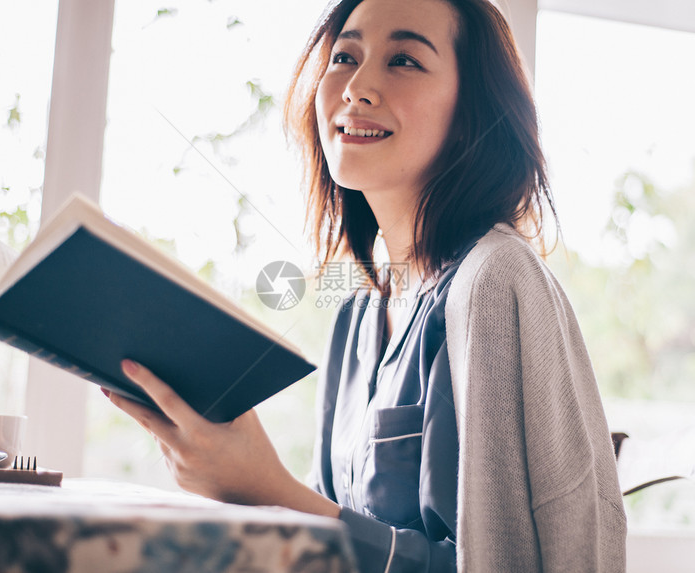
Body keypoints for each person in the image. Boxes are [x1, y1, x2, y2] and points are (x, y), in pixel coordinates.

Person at [105, 0, 628, 571]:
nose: (356, 86)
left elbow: (498, 562)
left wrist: (264, 486)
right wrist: (236, 475)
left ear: (473, 114)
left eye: (403, 59)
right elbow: (325, 531)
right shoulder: (356, 312)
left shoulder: (494, 281)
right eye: (344, 56)